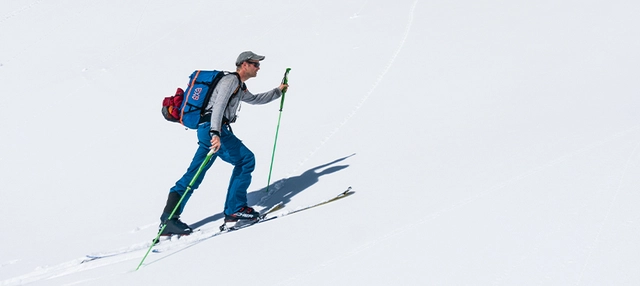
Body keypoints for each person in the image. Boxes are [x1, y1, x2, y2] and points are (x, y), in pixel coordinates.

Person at [159, 51, 289, 235]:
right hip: (214, 129)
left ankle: (168, 219)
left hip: (208, 130)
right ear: (244, 64)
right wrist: (216, 133)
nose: (258, 67)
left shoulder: (239, 85)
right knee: (245, 160)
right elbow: (218, 106)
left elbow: (254, 99)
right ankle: (235, 209)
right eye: (255, 64)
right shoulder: (231, 81)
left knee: (194, 175)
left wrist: (278, 91)